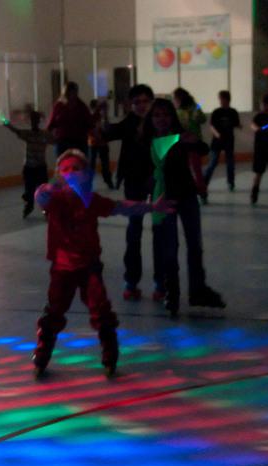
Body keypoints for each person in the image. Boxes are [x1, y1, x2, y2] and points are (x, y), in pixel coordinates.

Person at [31, 149, 173, 378]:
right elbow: (41, 197)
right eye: (65, 169)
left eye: (76, 168)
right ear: (58, 175)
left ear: (86, 174)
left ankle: (110, 353)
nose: (70, 173)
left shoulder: (91, 201)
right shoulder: (55, 199)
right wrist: (46, 188)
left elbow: (120, 207)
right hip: (62, 268)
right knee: (54, 310)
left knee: (101, 309)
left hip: (89, 266)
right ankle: (42, 352)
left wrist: (151, 207)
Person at [144, 98, 224, 316]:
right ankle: (172, 293)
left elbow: (203, 148)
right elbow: (159, 152)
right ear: (151, 119)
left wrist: (192, 140)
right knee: (170, 248)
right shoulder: (151, 140)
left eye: (166, 115)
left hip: (186, 194)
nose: (162, 119)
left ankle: (198, 289)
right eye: (157, 115)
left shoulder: (180, 136)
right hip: (165, 198)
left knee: (195, 245)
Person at [101, 84, 156, 301]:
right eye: (137, 103)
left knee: (161, 231)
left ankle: (161, 282)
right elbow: (108, 133)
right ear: (130, 106)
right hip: (134, 181)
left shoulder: (160, 121)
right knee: (134, 230)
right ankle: (131, 281)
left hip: (156, 180)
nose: (142, 106)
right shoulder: (129, 123)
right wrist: (103, 116)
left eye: (145, 101)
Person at [4, 107, 54, 218]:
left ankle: (44, 208)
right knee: (29, 190)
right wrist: (8, 125)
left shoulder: (42, 134)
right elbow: (17, 131)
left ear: (37, 121)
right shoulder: (30, 134)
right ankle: (30, 205)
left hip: (38, 167)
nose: (34, 123)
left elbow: (55, 140)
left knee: (41, 190)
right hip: (31, 168)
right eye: (33, 120)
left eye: (35, 120)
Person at [203, 90, 240, 192]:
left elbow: (236, 123)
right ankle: (204, 182)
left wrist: (239, 126)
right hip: (217, 142)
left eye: (221, 99)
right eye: (219, 99)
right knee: (213, 162)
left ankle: (230, 182)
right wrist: (217, 134)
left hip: (229, 141)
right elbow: (212, 126)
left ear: (227, 99)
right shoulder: (216, 112)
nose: (220, 101)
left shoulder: (233, 112)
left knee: (230, 163)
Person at [46, 81, 93, 158]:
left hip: (79, 142)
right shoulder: (59, 106)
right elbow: (51, 123)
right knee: (63, 166)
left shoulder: (81, 106)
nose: (71, 95)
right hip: (62, 142)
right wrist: (48, 136)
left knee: (80, 166)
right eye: (68, 92)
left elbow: (90, 123)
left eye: (73, 92)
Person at [87, 99, 115, 190]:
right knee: (92, 164)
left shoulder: (102, 117)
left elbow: (107, 129)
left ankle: (108, 181)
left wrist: (105, 116)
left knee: (105, 164)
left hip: (102, 143)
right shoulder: (90, 117)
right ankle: (89, 183)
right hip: (93, 143)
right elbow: (89, 130)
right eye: (97, 107)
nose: (98, 109)